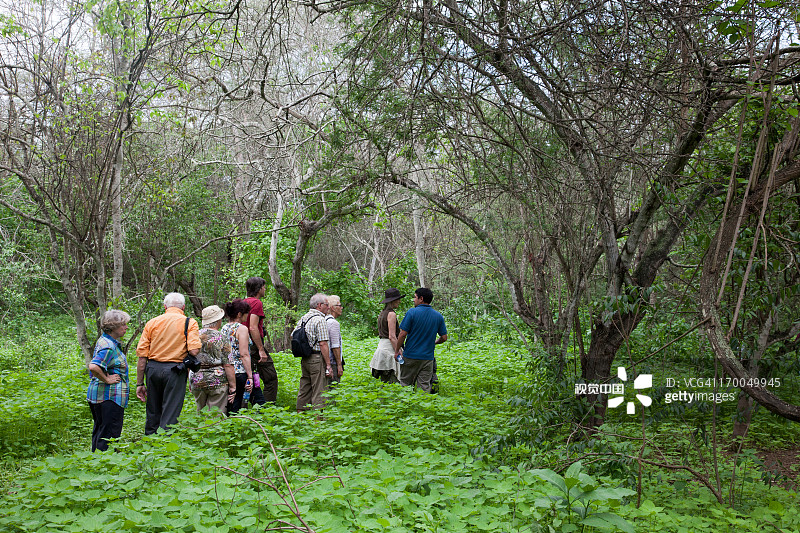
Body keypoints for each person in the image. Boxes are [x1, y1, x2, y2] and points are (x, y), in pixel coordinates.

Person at [136, 292, 201, 435]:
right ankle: (165, 445)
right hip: (175, 371)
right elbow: (194, 350)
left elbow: (142, 356)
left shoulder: (152, 323)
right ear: (183, 307)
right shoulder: (189, 323)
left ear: (165, 306)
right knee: (171, 410)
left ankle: (150, 442)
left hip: (152, 368)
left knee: (152, 409)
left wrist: (140, 383)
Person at [87, 309, 131, 452]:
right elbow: (93, 366)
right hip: (109, 397)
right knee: (109, 435)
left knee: (101, 431)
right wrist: (106, 379)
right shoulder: (108, 346)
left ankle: (96, 461)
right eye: (123, 324)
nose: (126, 327)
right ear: (114, 327)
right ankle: (105, 465)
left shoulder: (105, 340)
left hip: (100, 396)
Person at [396, 287, 447, 392]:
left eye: (415, 297)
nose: (414, 300)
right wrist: (435, 342)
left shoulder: (412, 313)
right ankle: (423, 407)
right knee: (424, 388)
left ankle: (405, 407)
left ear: (421, 299)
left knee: (405, 385)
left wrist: (397, 350)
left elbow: (402, 334)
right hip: (427, 359)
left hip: (410, 356)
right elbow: (444, 337)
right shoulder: (438, 316)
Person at [189, 305, 236, 415]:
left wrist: (190, 380)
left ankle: (201, 431)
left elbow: (189, 359)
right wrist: (233, 386)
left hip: (196, 378)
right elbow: (228, 364)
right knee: (216, 414)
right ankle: (213, 431)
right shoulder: (222, 337)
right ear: (218, 320)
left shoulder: (194, 335)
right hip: (217, 380)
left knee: (200, 412)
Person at [295, 293, 332, 412]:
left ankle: (300, 417)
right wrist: (328, 365)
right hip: (316, 359)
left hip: (305, 358)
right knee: (319, 390)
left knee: (304, 388)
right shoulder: (320, 320)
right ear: (319, 305)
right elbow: (323, 344)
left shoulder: (304, 318)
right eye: (327, 304)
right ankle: (318, 423)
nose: (328, 307)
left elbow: (293, 335)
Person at [244, 277, 277, 404]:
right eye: (263, 286)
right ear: (258, 289)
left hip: (243, 345)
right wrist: (261, 350)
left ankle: (245, 408)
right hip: (253, 346)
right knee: (271, 377)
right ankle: (266, 408)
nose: (265, 288)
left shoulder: (243, 302)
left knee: (249, 376)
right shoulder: (256, 303)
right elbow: (253, 327)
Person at [221, 299, 257, 413]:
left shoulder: (224, 328)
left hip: (227, 370)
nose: (247, 316)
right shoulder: (241, 328)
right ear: (239, 314)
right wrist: (250, 376)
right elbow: (244, 354)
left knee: (233, 403)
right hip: (240, 371)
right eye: (246, 313)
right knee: (253, 400)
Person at [370, 288, 403, 383]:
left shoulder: (382, 313)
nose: (399, 302)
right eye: (398, 299)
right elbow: (392, 336)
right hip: (389, 349)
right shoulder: (391, 314)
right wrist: (398, 350)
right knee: (393, 381)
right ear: (393, 301)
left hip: (382, 347)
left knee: (385, 381)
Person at [325, 295, 345, 386]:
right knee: (333, 388)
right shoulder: (333, 323)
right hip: (332, 362)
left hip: (325, 361)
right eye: (339, 306)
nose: (341, 308)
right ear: (333, 308)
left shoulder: (324, 320)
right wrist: (339, 365)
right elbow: (335, 346)